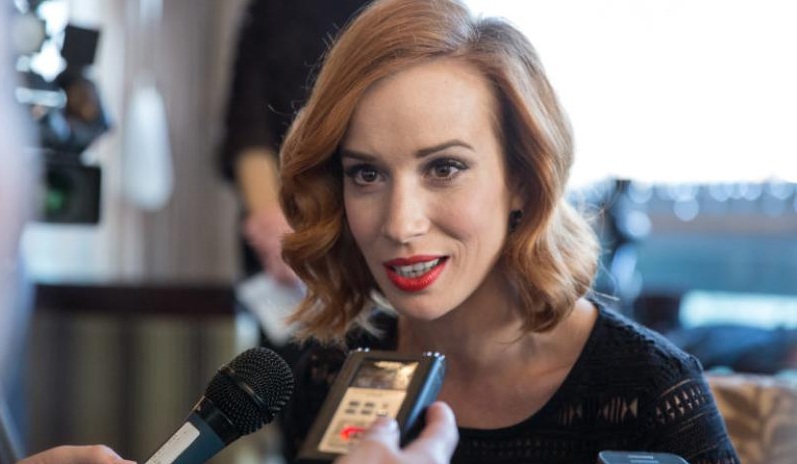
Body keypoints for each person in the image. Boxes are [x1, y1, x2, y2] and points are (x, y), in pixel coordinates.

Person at [276, 0, 741, 463]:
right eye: (367, 174)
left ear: (522, 179)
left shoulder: (652, 393)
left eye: (444, 168)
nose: (401, 224)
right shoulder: (327, 374)